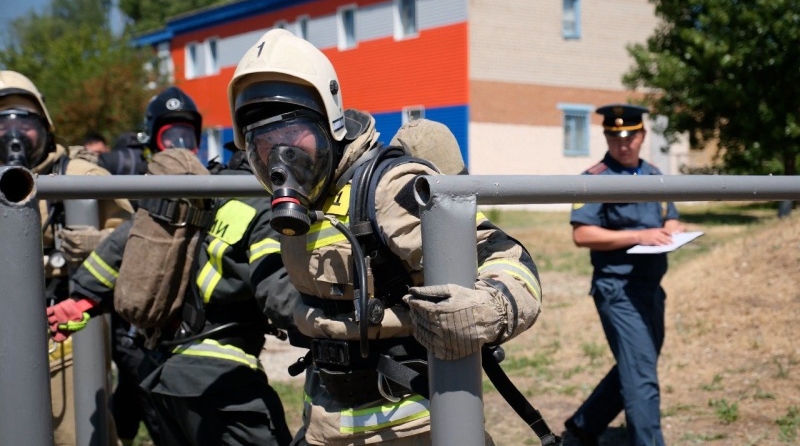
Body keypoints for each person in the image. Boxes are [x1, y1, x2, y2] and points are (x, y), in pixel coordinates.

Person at [227, 28, 543, 445]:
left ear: (329, 123)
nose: (280, 158)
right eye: (264, 143)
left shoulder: (387, 189)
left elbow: (503, 254)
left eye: (292, 136)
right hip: (328, 425)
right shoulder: (301, 206)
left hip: (414, 427)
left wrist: (490, 307)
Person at [49, 144, 297, 445]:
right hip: (219, 377)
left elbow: (127, 241)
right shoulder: (264, 205)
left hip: (161, 372)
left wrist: (83, 299)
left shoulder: (199, 190)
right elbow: (278, 294)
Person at [0, 69, 132, 446]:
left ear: (45, 125)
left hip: (68, 331)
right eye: (2, 121)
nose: (13, 132)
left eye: (24, 120)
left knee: (77, 433)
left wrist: (95, 243)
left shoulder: (80, 176)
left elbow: (134, 244)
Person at [564, 104, 683, 446]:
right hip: (617, 290)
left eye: (631, 136)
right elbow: (582, 234)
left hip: (651, 288)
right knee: (642, 375)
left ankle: (583, 428)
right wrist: (638, 236)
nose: (624, 143)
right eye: (616, 137)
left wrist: (673, 230)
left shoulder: (655, 175)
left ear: (643, 136)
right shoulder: (595, 178)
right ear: (606, 137)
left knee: (635, 365)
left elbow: (669, 216)